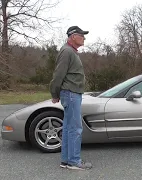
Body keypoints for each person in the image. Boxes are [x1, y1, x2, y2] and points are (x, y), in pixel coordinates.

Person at [50, 26, 92, 170]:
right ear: (73, 36)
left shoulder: (70, 51)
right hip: (71, 93)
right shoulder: (67, 52)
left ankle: (66, 161)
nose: (84, 38)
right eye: (82, 35)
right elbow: (58, 75)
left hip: (71, 93)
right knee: (75, 128)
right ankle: (74, 161)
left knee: (68, 128)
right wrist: (54, 93)